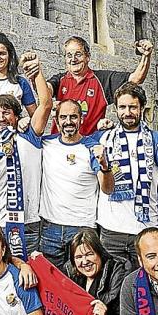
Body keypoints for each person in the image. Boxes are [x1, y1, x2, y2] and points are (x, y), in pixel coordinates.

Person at [93, 83, 158, 269]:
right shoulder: (104, 139)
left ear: (141, 108)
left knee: (145, 286)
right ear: (115, 109)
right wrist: (104, 166)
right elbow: (107, 189)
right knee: (111, 286)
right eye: (122, 107)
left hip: (145, 227)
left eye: (133, 107)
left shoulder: (155, 139)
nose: (128, 112)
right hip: (112, 229)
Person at [0, 52, 52, 255]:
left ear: (16, 116)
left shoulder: (30, 134)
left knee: (28, 277)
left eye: (6, 112)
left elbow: (46, 105)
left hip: (28, 223)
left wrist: (37, 73)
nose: (1, 118)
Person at [44, 35, 153, 136]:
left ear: (87, 57)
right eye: (69, 55)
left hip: (91, 147)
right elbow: (44, 92)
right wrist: (36, 74)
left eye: (78, 54)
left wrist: (146, 56)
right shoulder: (60, 80)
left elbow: (136, 79)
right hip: (61, 145)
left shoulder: (102, 80)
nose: (73, 59)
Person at [39, 99, 100, 269]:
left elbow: (107, 186)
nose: (68, 121)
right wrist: (22, 122)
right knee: (51, 282)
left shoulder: (92, 147)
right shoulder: (46, 143)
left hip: (83, 228)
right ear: (56, 121)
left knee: (81, 282)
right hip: (50, 227)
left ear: (81, 119)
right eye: (63, 117)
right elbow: (25, 136)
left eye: (73, 117)